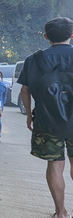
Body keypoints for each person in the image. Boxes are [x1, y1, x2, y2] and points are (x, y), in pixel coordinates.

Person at [18, 17, 73, 218]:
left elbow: (25, 90)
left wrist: (29, 116)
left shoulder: (34, 59)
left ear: (46, 36)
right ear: (72, 34)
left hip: (47, 120)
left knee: (55, 164)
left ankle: (61, 212)